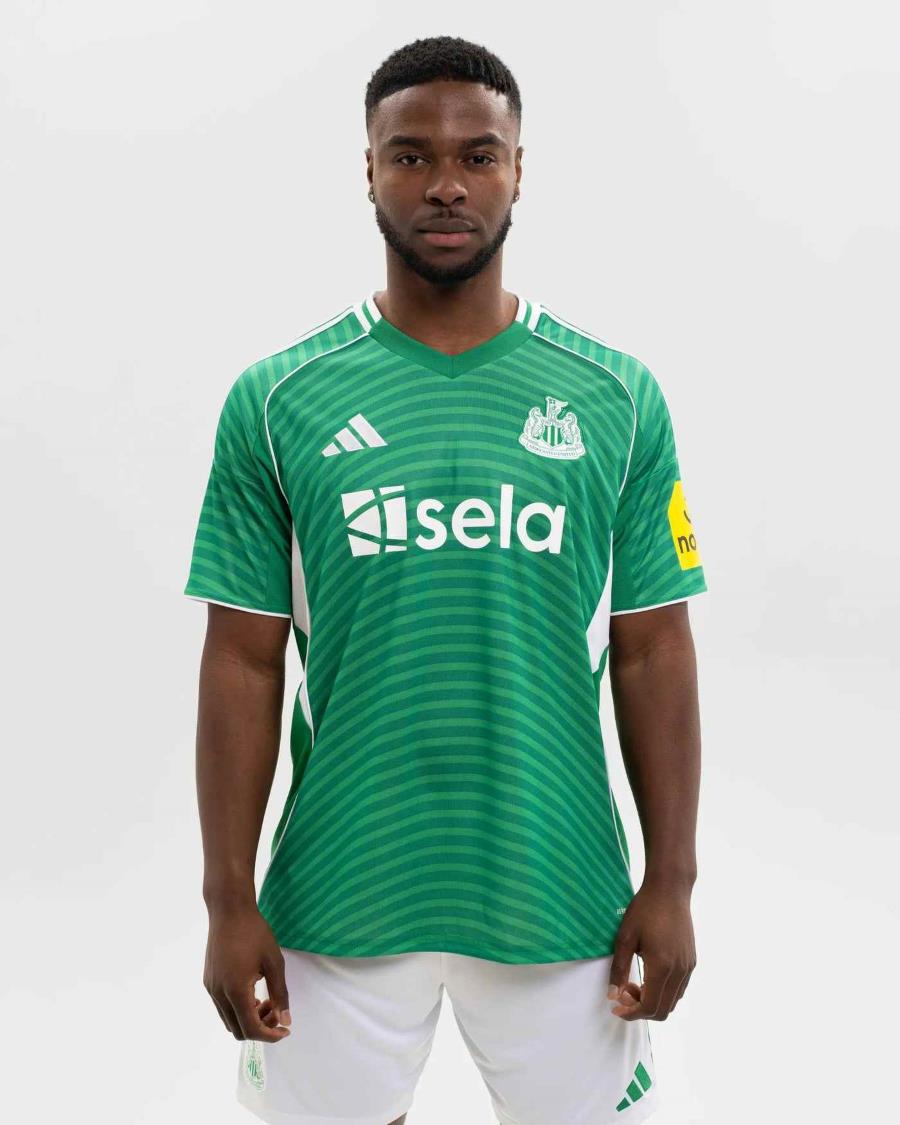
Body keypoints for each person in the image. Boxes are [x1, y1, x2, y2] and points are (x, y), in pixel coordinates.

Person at [184, 34, 708, 1125]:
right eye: (411, 155)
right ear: (369, 171)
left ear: (519, 170)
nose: (446, 185)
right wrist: (226, 898)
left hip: (558, 884)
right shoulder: (279, 399)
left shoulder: (615, 396)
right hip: (340, 891)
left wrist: (672, 881)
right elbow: (243, 660)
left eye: (478, 155)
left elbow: (653, 646)